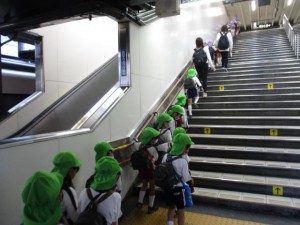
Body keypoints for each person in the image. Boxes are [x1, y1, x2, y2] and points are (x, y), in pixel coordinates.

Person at [78, 156, 122, 225]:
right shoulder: (116, 197)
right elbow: (114, 222)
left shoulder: (84, 192)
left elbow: (79, 213)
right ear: (114, 177)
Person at [161, 133, 194, 225]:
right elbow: (186, 178)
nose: (187, 150)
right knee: (181, 211)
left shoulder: (166, 156)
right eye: (187, 147)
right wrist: (191, 187)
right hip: (179, 189)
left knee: (171, 207)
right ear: (183, 147)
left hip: (167, 187)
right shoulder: (183, 161)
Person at [134, 127, 167, 213]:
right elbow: (155, 158)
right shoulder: (152, 149)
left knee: (144, 185)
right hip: (151, 170)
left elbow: (135, 143)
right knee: (152, 188)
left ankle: (139, 202)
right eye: (154, 138)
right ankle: (150, 206)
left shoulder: (140, 145)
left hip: (142, 170)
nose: (156, 140)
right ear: (150, 139)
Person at [51, 151, 82, 224]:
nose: (75, 174)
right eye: (75, 171)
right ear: (70, 170)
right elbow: (74, 217)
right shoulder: (68, 191)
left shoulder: (49, 183)